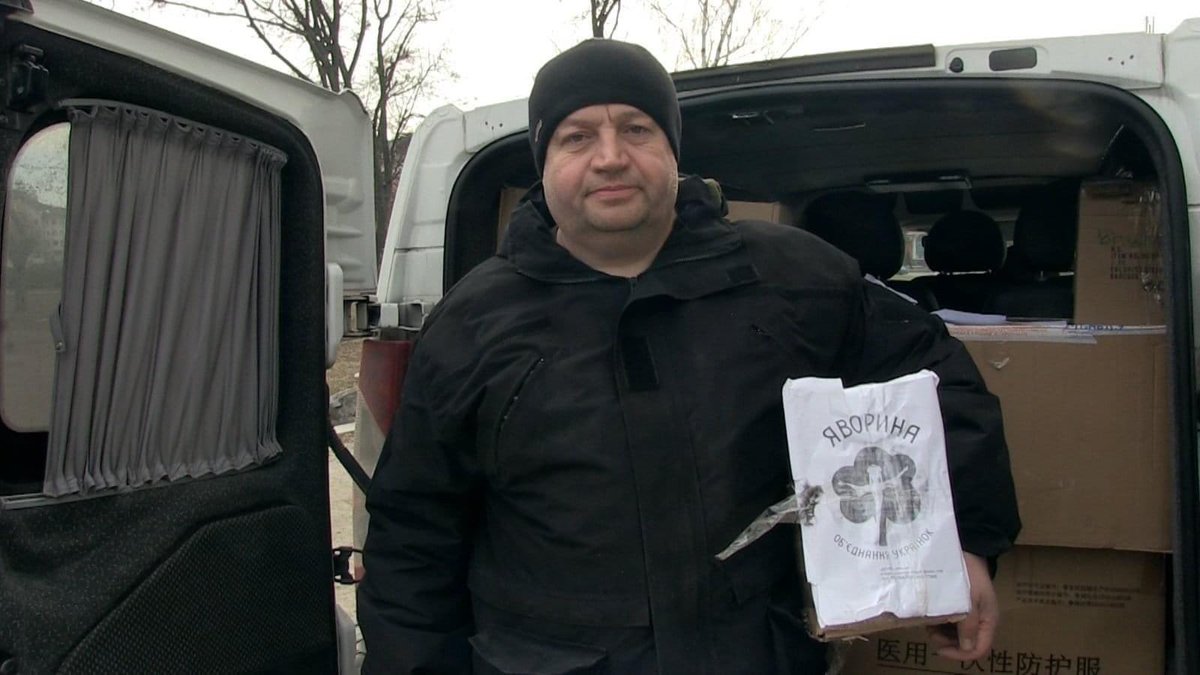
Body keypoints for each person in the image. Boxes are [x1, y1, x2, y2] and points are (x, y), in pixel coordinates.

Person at [358, 38, 1021, 674]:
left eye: (637, 130)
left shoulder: (795, 278)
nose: (611, 157)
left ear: (672, 149)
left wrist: (960, 543)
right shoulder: (474, 323)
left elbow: (935, 381)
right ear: (543, 160)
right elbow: (414, 535)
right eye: (577, 137)